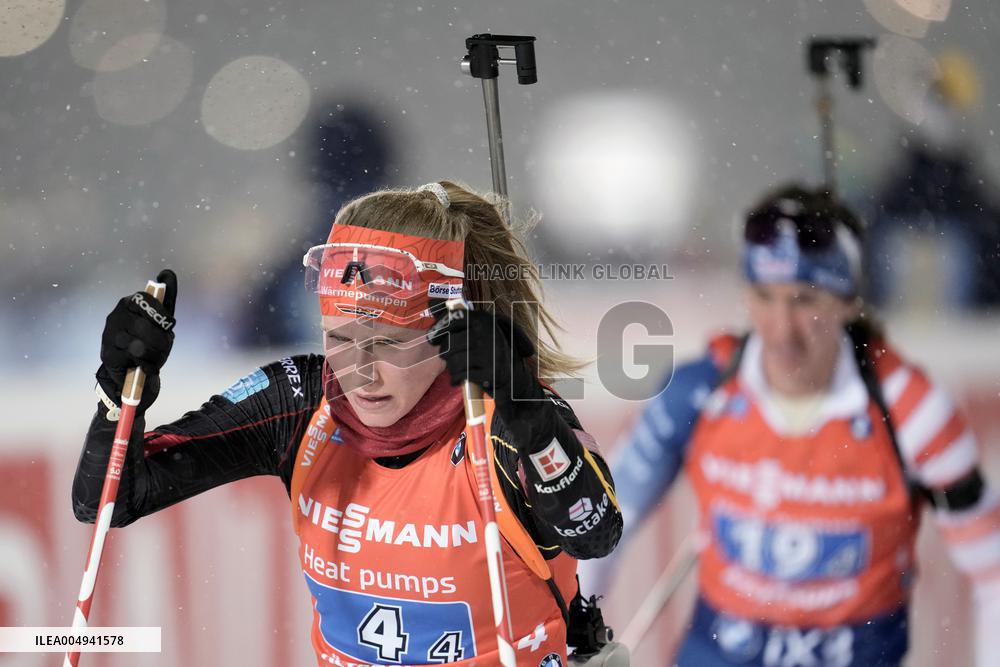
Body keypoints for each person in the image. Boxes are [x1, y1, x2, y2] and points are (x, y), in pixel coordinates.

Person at [73, 181, 623, 666]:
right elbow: (108, 501)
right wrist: (118, 396)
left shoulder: (501, 416)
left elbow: (594, 533)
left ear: (449, 331)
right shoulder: (302, 403)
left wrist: (526, 411)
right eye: (339, 338)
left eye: (387, 342)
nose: (359, 373)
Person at [595, 184, 1000, 666]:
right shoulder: (698, 392)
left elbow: (993, 572)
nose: (781, 329)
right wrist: (576, 640)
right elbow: (596, 525)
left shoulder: (912, 410)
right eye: (764, 296)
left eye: (805, 300)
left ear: (848, 302)